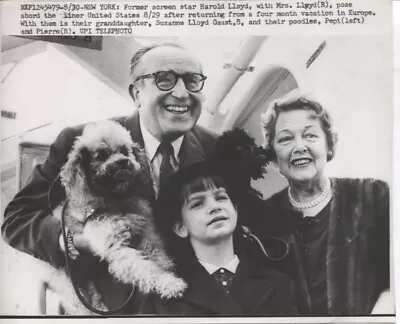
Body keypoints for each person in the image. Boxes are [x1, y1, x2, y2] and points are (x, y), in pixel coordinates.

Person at [1, 42, 217, 313]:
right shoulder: (79, 143)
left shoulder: (218, 150)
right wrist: (72, 241)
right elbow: (17, 219)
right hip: (105, 307)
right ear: (136, 93)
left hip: (191, 306)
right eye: (165, 80)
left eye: (193, 80)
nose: (182, 93)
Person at [248, 90, 390, 315]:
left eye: (310, 135)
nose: (299, 146)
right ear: (273, 156)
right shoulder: (263, 219)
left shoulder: (373, 195)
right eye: (285, 139)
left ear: (329, 145)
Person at [138, 160, 298, 315]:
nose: (215, 207)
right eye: (197, 204)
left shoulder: (280, 285)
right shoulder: (165, 294)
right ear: (180, 227)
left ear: (235, 210)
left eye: (221, 197)